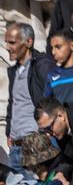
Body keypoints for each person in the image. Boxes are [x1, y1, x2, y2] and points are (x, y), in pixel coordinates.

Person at [5, 23, 53, 170]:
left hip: (34, 140)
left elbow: (54, 98)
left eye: (12, 42)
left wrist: (46, 132)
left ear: (28, 42)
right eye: (6, 42)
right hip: (15, 144)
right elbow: (13, 102)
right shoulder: (14, 71)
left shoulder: (42, 65)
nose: (7, 47)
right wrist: (9, 132)